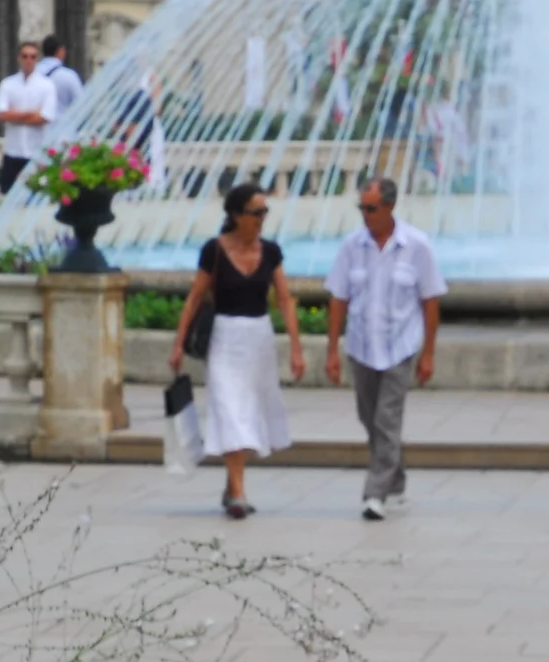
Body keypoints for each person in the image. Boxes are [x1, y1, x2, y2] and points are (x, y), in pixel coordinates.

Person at [170, 183, 302, 520]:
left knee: (249, 411)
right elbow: (195, 297)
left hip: (258, 338)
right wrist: (178, 344)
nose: (261, 219)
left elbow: (284, 299)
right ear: (235, 215)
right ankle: (240, 493)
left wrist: (296, 347)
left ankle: (233, 485)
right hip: (225, 339)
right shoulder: (214, 250)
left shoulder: (271, 252)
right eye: (255, 213)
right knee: (230, 410)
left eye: (264, 212)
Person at [325, 176, 446, 521]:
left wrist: (428, 353)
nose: (365, 214)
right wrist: (332, 350)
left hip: (399, 345)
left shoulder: (417, 246)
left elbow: (431, 300)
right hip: (362, 346)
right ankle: (396, 481)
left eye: (371, 208)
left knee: (386, 419)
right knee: (371, 420)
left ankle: (374, 494)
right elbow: (338, 298)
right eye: (361, 207)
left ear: (390, 207)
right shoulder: (351, 247)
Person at [0, 41, 56, 196]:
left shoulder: (46, 85)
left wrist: (15, 116)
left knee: (37, 196)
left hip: (36, 151)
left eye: (32, 57)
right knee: (7, 196)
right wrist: (31, 113)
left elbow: (45, 117)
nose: (28, 60)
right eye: (25, 56)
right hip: (13, 150)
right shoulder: (8, 84)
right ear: (18, 58)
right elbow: (1, 114)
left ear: (37, 59)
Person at [42, 40, 88, 152]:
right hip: (63, 135)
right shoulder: (68, 76)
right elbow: (81, 104)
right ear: (60, 51)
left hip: (36, 135)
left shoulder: (33, 75)